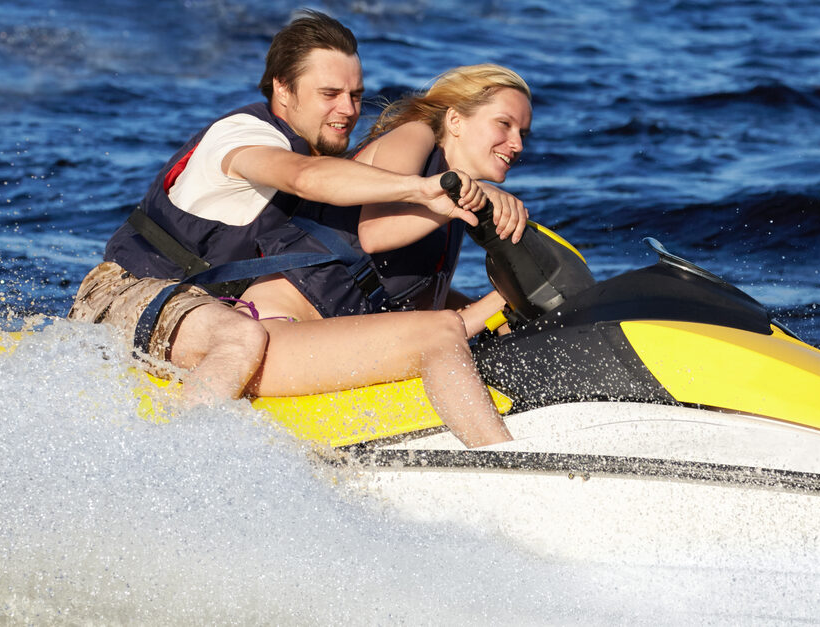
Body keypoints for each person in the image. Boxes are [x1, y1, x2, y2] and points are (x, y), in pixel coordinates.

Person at [68, 10, 513, 447]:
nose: (348, 110)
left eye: (356, 95)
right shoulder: (244, 135)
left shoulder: (326, 162)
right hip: (126, 295)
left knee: (244, 331)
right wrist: (422, 190)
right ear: (282, 88)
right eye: (330, 93)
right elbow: (301, 177)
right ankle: (175, 461)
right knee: (241, 336)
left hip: (209, 313)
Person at [242, 63, 533, 339]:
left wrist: (504, 316)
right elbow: (375, 234)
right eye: (504, 124)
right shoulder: (415, 136)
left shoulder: (454, 212)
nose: (517, 144)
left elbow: (425, 303)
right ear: (455, 120)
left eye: (522, 134)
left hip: (331, 338)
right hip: (275, 323)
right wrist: (508, 295)